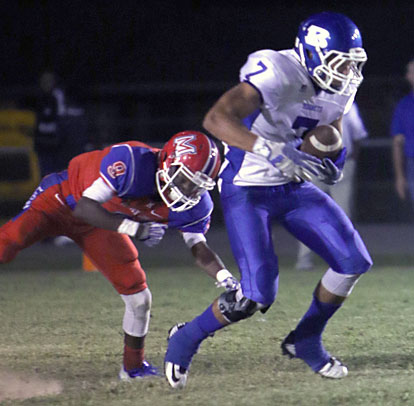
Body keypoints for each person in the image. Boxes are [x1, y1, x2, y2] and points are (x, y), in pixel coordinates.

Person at [164, 12, 373, 388]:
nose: (346, 74)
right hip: (248, 186)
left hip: (292, 185)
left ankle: (305, 340)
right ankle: (186, 337)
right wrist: (272, 151)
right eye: (339, 63)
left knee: (353, 260)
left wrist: (332, 160)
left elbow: (333, 127)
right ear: (311, 53)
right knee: (256, 295)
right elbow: (215, 119)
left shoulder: (342, 84)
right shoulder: (277, 70)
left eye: (352, 64)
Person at [0, 130, 239, 380]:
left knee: (138, 295)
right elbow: (84, 207)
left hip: (101, 224)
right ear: (168, 162)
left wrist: (225, 278)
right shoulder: (133, 163)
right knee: (6, 245)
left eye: (197, 186)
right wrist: (135, 228)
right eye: (185, 180)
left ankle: (133, 368)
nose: (188, 191)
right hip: (61, 200)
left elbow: (198, 248)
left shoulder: (195, 204)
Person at [296, 101, 369, 270]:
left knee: (344, 214)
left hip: (341, 165)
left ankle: (346, 259)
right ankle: (304, 260)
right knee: (308, 213)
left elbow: (357, 136)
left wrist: (348, 160)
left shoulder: (348, 103)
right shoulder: (306, 103)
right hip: (312, 165)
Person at [33, 70, 67, 178]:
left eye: (48, 81)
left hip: (55, 140)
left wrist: (59, 136)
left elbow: (61, 116)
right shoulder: (39, 96)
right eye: (43, 81)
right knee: (43, 168)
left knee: (56, 169)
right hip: (41, 140)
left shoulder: (57, 96)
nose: (46, 84)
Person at [391, 58, 414, 210]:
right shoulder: (404, 105)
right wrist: (400, 177)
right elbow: (398, 142)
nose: (408, 76)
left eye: (411, 72)